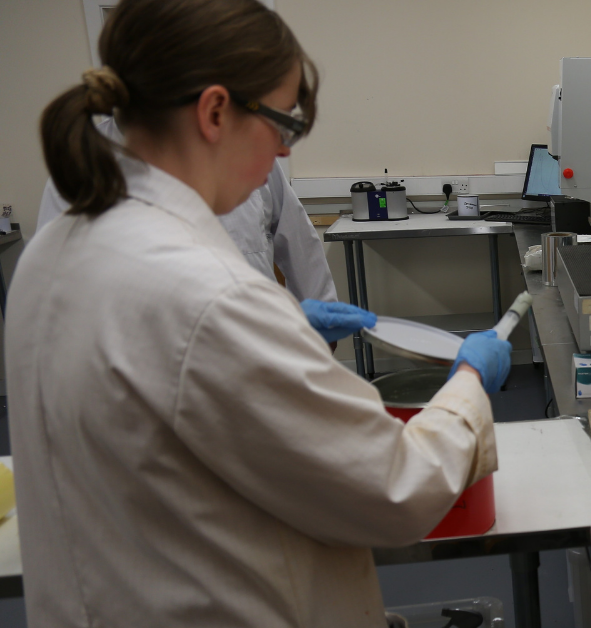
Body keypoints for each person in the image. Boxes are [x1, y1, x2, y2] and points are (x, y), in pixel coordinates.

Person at [4, 1, 512, 626]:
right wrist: (466, 385)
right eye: (281, 124)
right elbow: (395, 489)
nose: (279, 153)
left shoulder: (51, 251)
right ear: (215, 111)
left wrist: (281, 335)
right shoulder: (207, 295)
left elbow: (142, 397)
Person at [38, 117, 373, 345]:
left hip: (259, 343)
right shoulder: (81, 176)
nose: (282, 150)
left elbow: (298, 243)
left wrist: (318, 324)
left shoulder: (244, 162)